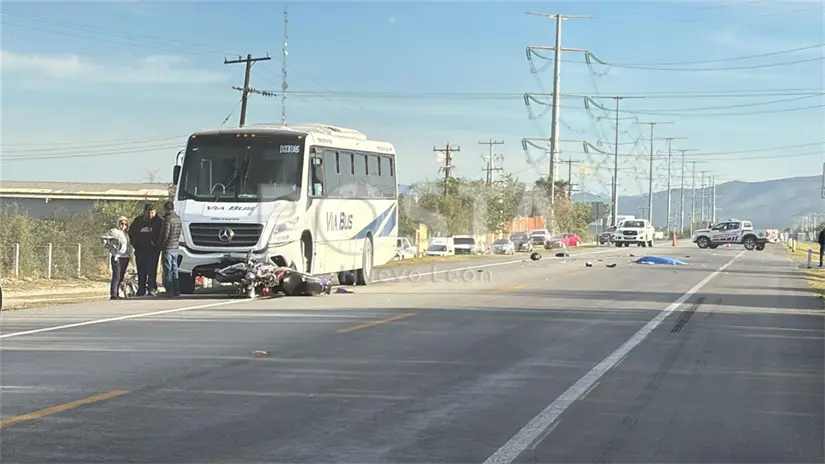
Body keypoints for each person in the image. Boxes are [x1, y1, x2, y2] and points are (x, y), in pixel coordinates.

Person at [129, 203, 163, 296]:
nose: (150, 215)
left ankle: (152, 288)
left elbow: (162, 235)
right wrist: (136, 244)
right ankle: (141, 289)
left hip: (152, 250)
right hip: (140, 250)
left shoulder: (159, 222)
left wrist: (156, 245)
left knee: (151, 270)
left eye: (152, 213)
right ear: (144, 212)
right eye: (148, 213)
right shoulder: (138, 221)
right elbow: (131, 233)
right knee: (141, 270)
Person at [101, 216, 133, 300]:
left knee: (121, 276)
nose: (123, 225)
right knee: (116, 276)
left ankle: (117, 293)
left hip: (125, 257)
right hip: (117, 257)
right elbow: (103, 237)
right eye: (122, 223)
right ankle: (114, 294)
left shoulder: (126, 234)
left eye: (126, 224)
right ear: (118, 223)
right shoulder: (114, 231)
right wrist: (108, 246)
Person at [158, 201, 182, 297]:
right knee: (175, 268)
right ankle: (177, 290)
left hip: (168, 247)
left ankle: (169, 290)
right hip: (175, 246)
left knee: (167, 269)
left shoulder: (167, 219)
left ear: (166, 209)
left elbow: (165, 234)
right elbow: (179, 232)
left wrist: (160, 244)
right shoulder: (178, 219)